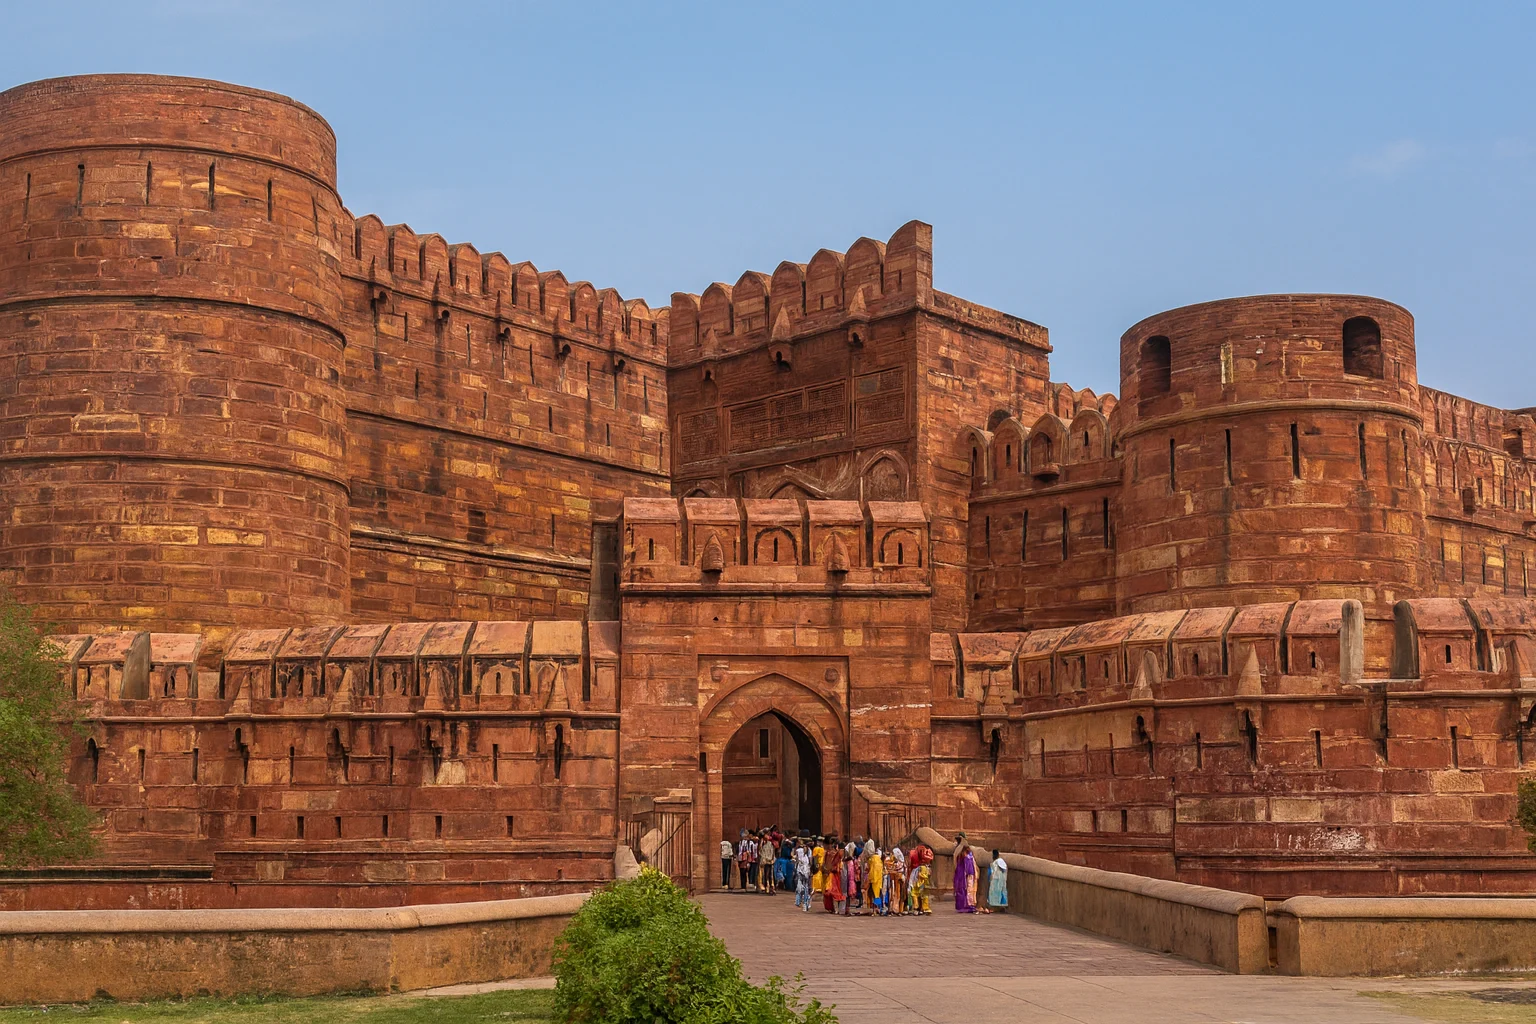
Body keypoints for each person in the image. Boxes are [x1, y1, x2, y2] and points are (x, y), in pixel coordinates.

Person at [953, 834, 978, 913]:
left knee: (969, 890)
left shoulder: (968, 856)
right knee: (964, 890)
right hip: (963, 876)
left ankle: (969, 905)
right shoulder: (963, 856)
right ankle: (965, 905)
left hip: (968, 876)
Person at [794, 839, 813, 912]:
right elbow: (797, 860)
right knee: (802, 886)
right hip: (802, 869)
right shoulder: (801, 850)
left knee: (804, 886)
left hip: (805, 870)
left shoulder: (808, 851)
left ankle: (803, 902)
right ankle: (802, 901)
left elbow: (810, 862)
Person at [867, 842, 885, 916]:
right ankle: (878, 909)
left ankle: (875, 910)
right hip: (879, 880)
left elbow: (869, 869)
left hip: (873, 879)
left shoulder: (872, 859)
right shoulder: (880, 860)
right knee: (878, 894)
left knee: (874, 894)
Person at [889, 844, 906, 915]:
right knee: (901, 894)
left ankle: (896, 909)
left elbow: (895, 870)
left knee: (897, 894)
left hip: (897, 879)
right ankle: (900, 909)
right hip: (902, 878)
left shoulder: (898, 863)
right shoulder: (903, 863)